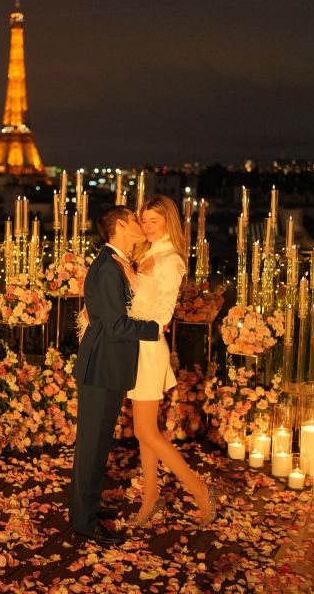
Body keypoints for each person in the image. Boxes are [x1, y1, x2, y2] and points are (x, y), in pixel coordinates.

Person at [112, 195, 220, 527]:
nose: (146, 226)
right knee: (145, 432)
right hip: (135, 346)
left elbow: (161, 316)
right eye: (143, 220)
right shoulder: (145, 254)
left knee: (148, 431)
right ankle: (150, 499)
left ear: (169, 222)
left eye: (154, 221)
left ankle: (199, 490)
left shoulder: (170, 260)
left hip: (147, 348)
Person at [69, 205, 162, 546]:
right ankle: (84, 521)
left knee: (97, 444)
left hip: (107, 366)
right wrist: (156, 329)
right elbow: (114, 324)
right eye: (136, 220)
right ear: (121, 225)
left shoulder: (116, 263)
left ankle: (88, 508)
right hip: (101, 368)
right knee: (92, 446)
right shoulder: (109, 267)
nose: (141, 225)